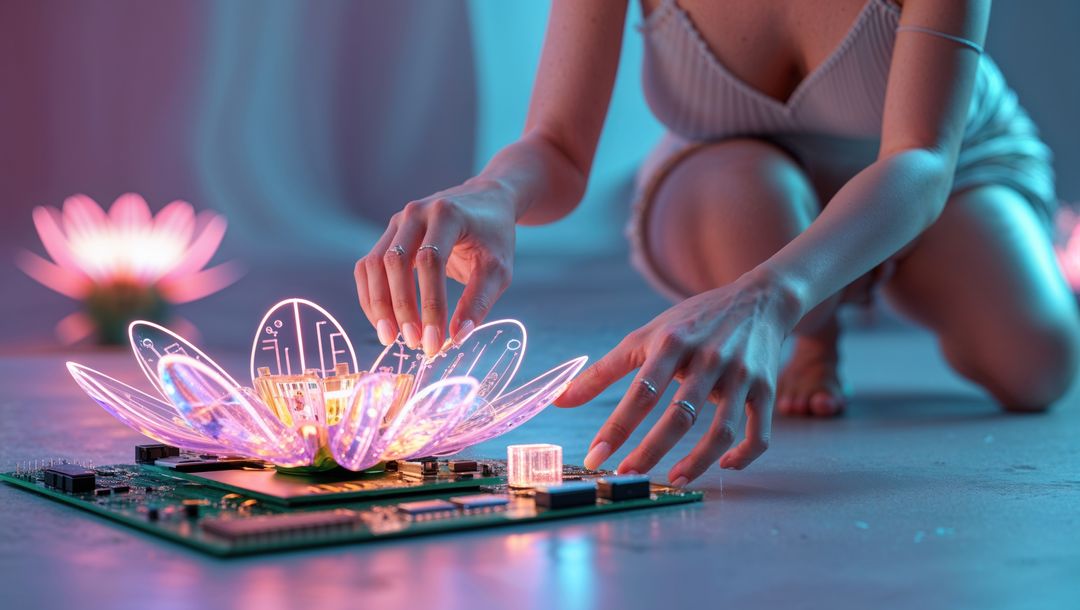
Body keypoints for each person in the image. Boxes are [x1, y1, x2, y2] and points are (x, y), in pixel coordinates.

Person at [354, 0, 1079, 487]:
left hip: (945, 164)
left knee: (1036, 363)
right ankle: (813, 335)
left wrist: (771, 295)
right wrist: (496, 193)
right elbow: (558, 147)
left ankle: (805, 304)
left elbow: (919, 160)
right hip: (731, 178)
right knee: (746, 196)